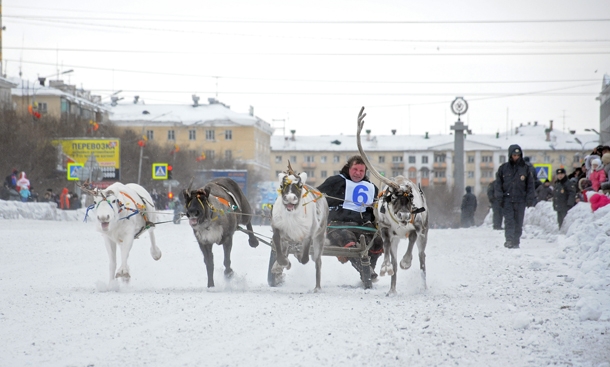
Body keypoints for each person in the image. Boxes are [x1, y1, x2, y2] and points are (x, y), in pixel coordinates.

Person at [317, 155, 383, 281]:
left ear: (365, 172)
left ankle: (368, 271)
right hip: (338, 225)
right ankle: (366, 271)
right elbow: (317, 194)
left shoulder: (371, 187)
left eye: (361, 171)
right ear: (348, 168)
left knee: (378, 241)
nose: (358, 173)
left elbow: (377, 206)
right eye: (355, 169)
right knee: (348, 239)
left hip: (363, 225)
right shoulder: (335, 182)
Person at [494, 144, 536, 249]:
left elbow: (530, 185)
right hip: (507, 199)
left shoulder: (525, 169)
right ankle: (509, 240)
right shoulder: (503, 168)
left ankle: (516, 241)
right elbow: (498, 184)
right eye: (514, 155)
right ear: (510, 155)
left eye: (518, 155)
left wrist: (530, 198)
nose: (516, 157)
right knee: (509, 221)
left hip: (520, 200)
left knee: (518, 222)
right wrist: (499, 197)